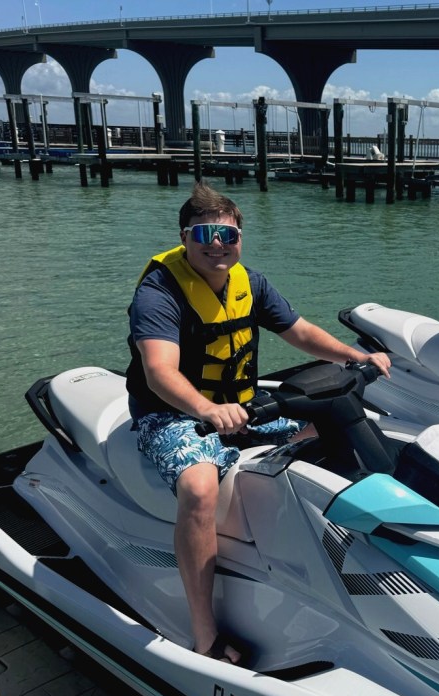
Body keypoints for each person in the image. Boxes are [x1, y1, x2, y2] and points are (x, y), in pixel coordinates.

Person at [126, 181, 391, 665]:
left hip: (244, 407)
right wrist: (205, 409)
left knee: (338, 427)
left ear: (240, 240)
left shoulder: (250, 283)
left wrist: (355, 356)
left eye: (228, 235)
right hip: (175, 413)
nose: (217, 245)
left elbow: (300, 331)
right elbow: (159, 370)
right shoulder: (159, 292)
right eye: (204, 234)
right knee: (199, 488)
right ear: (184, 238)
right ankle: (203, 632)